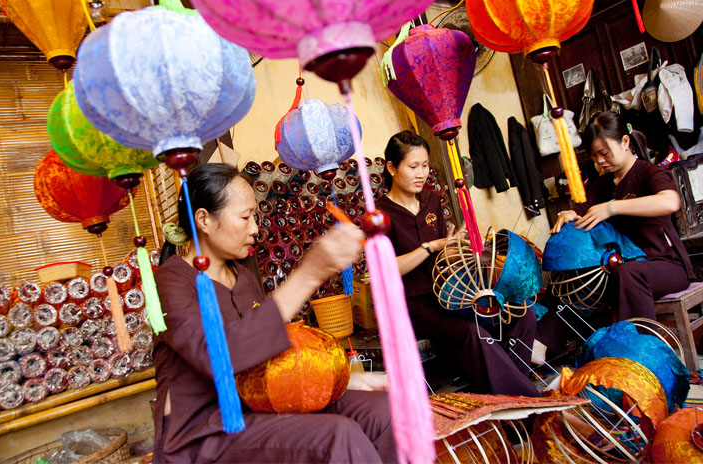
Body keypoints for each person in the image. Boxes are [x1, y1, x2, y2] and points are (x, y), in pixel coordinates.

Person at [152, 163, 396, 463]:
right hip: (204, 432)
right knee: (337, 435)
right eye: (245, 217)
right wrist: (308, 274)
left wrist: (343, 379)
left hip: (263, 406)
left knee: (383, 412)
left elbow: (271, 363)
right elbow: (219, 356)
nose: (255, 228)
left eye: (254, 215)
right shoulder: (171, 280)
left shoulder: (244, 278)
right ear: (203, 219)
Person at [376, 130, 540, 397]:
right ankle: (527, 401)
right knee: (474, 333)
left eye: (426, 165)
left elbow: (447, 253)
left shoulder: (430, 200)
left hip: (453, 295)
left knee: (522, 315)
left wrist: (457, 247)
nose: (422, 174)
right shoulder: (381, 215)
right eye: (413, 166)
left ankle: (516, 395)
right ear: (392, 168)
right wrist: (431, 246)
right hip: (416, 306)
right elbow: (385, 269)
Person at [535, 111, 694, 361]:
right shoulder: (603, 184)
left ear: (625, 142)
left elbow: (670, 201)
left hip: (664, 265)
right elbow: (582, 210)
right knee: (576, 281)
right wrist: (568, 214)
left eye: (605, 152)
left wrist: (612, 207)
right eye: (595, 156)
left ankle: (642, 356)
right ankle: (539, 345)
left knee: (628, 273)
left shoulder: (649, 173)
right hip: (624, 269)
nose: (600, 161)